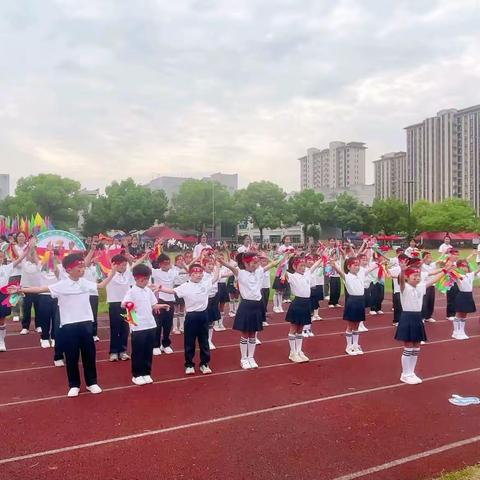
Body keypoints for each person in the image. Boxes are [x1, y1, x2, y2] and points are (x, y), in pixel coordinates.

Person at [15, 253, 115, 397]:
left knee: (89, 355)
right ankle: (74, 384)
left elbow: (101, 285)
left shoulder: (85, 282)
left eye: (83, 267)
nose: (83, 269)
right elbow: (40, 289)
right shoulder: (61, 285)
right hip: (69, 325)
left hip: (86, 323)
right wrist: (21, 289)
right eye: (79, 267)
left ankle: (91, 382)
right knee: (72, 356)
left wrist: (112, 271)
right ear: (68, 270)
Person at [157, 262, 220, 375]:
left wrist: (218, 265)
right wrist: (160, 288)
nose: (199, 275)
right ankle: (189, 364)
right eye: (196, 273)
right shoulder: (185, 286)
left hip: (203, 315)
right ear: (190, 274)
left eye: (201, 273)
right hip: (191, 317)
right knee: (189, 342)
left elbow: (215, 278)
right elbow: (173, 291)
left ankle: (204, 364)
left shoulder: (205, 283)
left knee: (204, 341)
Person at [219, 252, 279, 369]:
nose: (256, 265)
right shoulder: (241, 273)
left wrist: (285, 257)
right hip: (246, 305)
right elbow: (231, 267)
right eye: (253, 262)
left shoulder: (259, 271)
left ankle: (251, 357)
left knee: (253, 334)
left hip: (257, 305)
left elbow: (272, 264)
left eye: (257, 263)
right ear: (245, 263)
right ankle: (244, 358)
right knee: (245, 333)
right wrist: (222, 262)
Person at [395, 264, 444, 385]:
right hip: (407, 317)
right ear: (407, 277)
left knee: (416, 346)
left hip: (417, 317)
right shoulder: (404, 287)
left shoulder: (420, 287)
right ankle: (405, 374)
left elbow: (433, 280)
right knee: (408, 346)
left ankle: (411, 372)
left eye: (418, 276)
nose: (417, 278)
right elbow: (401, 280)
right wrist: (402, 270)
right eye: (414, 276)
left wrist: (445, 271)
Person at [122, 263, 170, 385]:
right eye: (143, 279)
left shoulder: (148, 290)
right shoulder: (132, 291)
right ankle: (137, 374)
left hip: (150, 325)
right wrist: (133, 321)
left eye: (147, 279)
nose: (145, 281)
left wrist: (162, 305)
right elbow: (124, 304)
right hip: (139, 327)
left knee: (148, 350)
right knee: (138, 351)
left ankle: (146, 372)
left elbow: (153, 305)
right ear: (136, 278)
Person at [286, 255, 323, 362]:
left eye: (304, 265)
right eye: (300, 266)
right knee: (293, 329)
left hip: (306, 303)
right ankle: (292, 353)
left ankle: (299, 351)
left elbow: (315, 266)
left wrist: (323, 257)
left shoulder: (307, 273)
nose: (303, 268)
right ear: (294, 266)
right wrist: (284, 257)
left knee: (300, 329)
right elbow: (281, 269)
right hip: (297, 303)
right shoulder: (291, 275)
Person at [0, 240, 32, 351]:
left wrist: (29, 248)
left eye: (1, 256)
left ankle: (1, 341)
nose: (0, 258)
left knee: (2, 319)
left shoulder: (6, 268)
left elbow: (20, 258)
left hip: (2, 294)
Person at [331, 257, 366, 356]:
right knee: (351, 325)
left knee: (357, 325)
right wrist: (334, 265)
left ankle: (355, 345)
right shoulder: (347, 276)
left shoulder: (360, 275)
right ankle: (348, 346)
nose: (357, 267)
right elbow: (340, 271)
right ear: (349, 267)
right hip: (352, 302)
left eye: (358, 265)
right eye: (355, 265)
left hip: (360, 301)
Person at [106, 254, 134, 362]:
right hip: (115, 304)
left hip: (128, 304)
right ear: (115, 265)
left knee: (125, 329)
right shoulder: (110, 274)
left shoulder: (128, 273)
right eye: (122, 265)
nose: (124, 267)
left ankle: (123, 351)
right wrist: (113, 269)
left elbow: (135, 266)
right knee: (115, 328)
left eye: (125, 265)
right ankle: (113, 352)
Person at [151, 254, 176, 355]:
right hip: (159, 300)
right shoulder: (155, 272)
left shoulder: (173, 272)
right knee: (157, 324)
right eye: (164, 263)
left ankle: (165, 344)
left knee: (168, 324)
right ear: (160, 264)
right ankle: (155, 345)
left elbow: (187, 270)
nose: (167, 265)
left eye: (168, 263)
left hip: (170, 301)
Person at [452, 256, 479, 340]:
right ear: (459, 267)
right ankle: (456, 332)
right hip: (462, 295)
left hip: (469, 296)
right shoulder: (458, 275)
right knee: (459, 313)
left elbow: (477, 270)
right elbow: (451, 271)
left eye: (466, 266)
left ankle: (461, 331)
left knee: (464, 315)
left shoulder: (470, 275)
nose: (465, 268)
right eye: (463, 266)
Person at [326, 238, 342, 308]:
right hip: (331, 272)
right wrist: (331, 255)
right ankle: (331, 302)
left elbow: (338, 257)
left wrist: (338, 248)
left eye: (333, 241)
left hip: (337, 272)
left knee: (338, 288)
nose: (332, 242)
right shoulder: (327, 249)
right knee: (333, 288)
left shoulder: (337, 250)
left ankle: (336, 302)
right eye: (331, 241)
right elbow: (326, 259)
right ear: (329, 242)